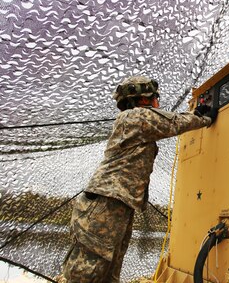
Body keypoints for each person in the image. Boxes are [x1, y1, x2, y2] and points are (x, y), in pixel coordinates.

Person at [62, 75, 217, 283]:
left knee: (109, 270)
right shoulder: (135, 117)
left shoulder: (135, 122)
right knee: (88, 273)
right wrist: (203, 117)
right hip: (106, 204)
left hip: (115, 205)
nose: (157, 103)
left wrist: (196, 114)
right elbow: (172, 122)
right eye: (155, 98)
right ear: (144, 100)